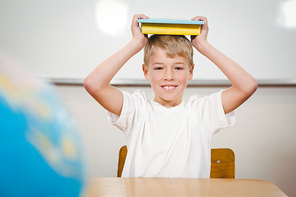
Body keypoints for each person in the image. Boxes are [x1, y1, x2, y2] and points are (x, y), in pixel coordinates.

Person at [84, 14, 258, 178]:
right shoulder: (136, 109)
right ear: (146, 72)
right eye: (159, 68)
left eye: (178, 67)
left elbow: (247, 86)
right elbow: (94, 84)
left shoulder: (201, 111)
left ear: (190, 72)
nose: (169, 76)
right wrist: (136, 43)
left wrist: (204, 46)